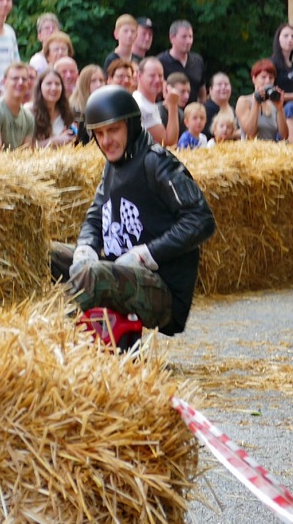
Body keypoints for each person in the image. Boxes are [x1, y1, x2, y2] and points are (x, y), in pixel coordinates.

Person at [58, 86, 216, 340]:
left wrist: (147, 255)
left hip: (159, 286)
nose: (106, 140)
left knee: (91, 274)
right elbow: (96, 216)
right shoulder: (113, 163)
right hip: (116, 268)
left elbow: (201, 220)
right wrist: (85, 247)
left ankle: (50, 341)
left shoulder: (157, 161)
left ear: (130, 126)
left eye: (113, 130)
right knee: (47, 254)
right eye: (99, 133)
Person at [133, 57, 180, 147]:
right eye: (152, 76)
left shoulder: (147, 103)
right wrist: (173, 106)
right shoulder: (142, 106)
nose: (157, 80)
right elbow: (169, 143)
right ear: (139, 76)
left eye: (160, 75)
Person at [236, 59, 287, 142]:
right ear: (254, 79)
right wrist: (256, 102)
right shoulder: (244, 101)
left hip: (272, 151)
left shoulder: (273, 104)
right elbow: (250, 134)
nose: (267, 81)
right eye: (263, 77)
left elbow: (284, 136)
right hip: (251, 152)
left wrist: (280, 108)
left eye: (271, 78)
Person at [0, 62, 35, 149]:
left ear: (28, 83)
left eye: (24, 79)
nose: (20, 82)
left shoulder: (29, 117)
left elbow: (26, 151)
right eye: (15, 78)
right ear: (4, 82)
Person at [158, 20, 206, 104]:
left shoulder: (198, 61)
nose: (188, 41)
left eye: (190, 37)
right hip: (168, 112)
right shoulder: (160, 62)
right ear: (172, 38)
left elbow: (202, 92)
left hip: (192, 114)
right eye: (184, 37)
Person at [27, 69, 75, 148]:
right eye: (48, 84)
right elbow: (26, 147)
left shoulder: (67, 111)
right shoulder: (29, 111)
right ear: (40, 87)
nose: (54, 88)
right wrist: (55, 141)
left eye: (57, 84)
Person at [69, 63, 105, 132]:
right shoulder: (73, 109)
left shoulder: (106, 106)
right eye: (93, 81)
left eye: (101, 80)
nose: (98, 85)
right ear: (84, 83)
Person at [202, 72, 235, 140]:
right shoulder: (205, 110)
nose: (223, 87)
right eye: (219, 84)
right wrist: (236, 134)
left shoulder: (234, 110)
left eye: (226, 84)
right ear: (210, 90)